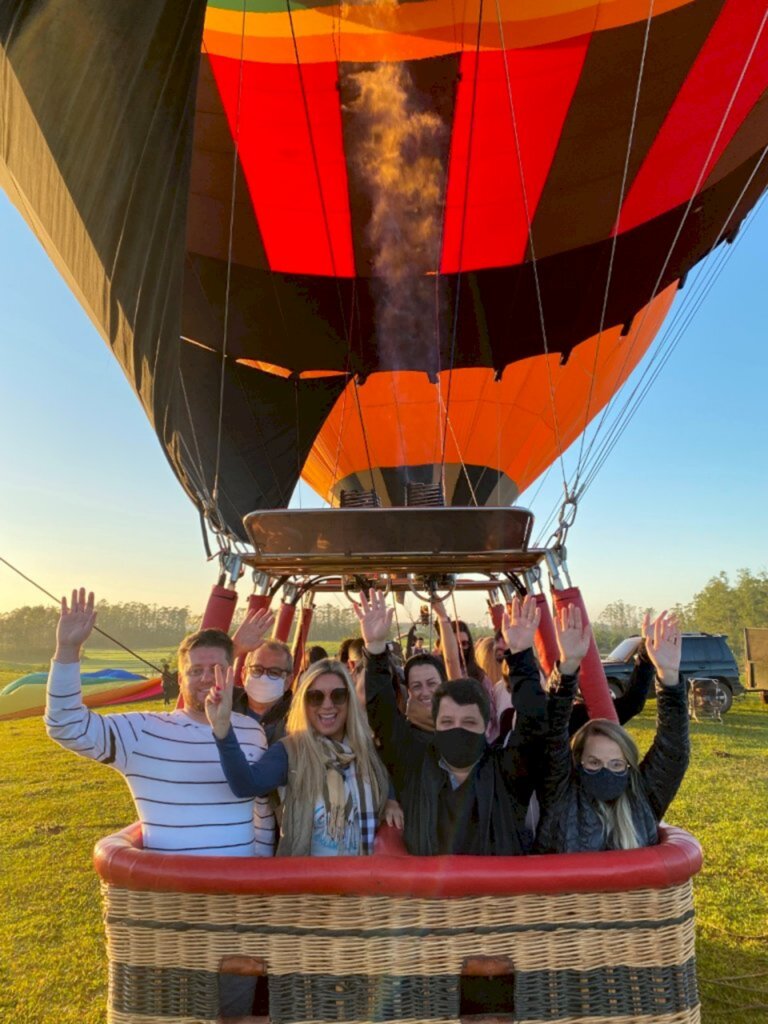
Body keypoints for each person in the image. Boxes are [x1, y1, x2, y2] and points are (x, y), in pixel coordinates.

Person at [45, 588, 275, 856]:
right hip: (170, 892)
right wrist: (67, 649)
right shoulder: (142, 732)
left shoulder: (252, 731)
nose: (206, 678)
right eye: (195, 671)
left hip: (239, 889)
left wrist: (260, 869)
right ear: (180, 680)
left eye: (216, 670)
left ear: (230, 673)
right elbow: (66, 725)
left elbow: (262, 810)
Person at [359, 590, 557, 856]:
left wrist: (520, 655)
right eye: (448, 721)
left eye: (469, 721)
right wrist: (375, 649)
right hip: (428, 896)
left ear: (485, 725)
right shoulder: (415, 766)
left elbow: (533, 724)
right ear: (436, 723)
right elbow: (382, 714)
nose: (457, 728)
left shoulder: (507, 772)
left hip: (494, 896)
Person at [207, 658, 402, 856]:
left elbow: (384, 780)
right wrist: (223, 731)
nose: (327, 705)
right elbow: (245, 785)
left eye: (338, 695)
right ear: (304, 703)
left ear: (350, 700)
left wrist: (390, 800)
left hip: (362, 880)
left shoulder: (365, 752)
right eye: (315, 697)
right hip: (306, 882)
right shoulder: (289, 752)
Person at [534, 610, 690, 854]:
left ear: (629, 766)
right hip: (570, 893)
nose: (605, 771)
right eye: (594, 763)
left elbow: (672, 751)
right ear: (577, 762)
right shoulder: (561, 793)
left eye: (616, 765)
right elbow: (552, 733)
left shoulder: (643, 797)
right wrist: (568, 666)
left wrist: (669, 676)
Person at [232, 637, 294, 745]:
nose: (264, 678)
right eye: (257, 669)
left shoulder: (298, 718)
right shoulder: (226, 701)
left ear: (287, 681)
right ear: (244, 674)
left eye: (274, 672)